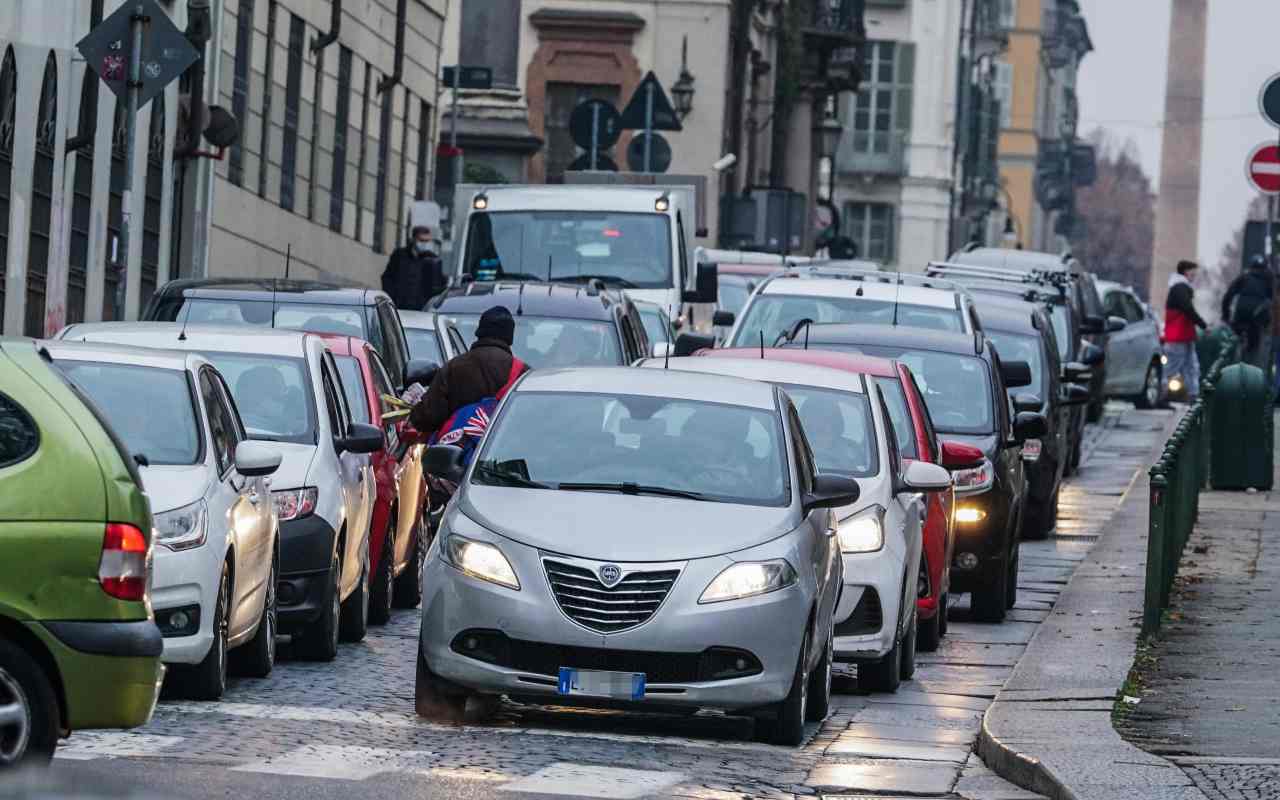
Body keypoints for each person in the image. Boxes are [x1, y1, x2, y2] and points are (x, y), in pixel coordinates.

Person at [409, 305, 529, 437]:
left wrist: (414, 411)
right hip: (502, 452)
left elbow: (428, 417)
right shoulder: (523, 374)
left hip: (456, 453)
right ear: (510, 337)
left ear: (479, 331)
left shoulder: (453, 368)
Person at [1163, 260, 1208, 401]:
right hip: (1179, 334)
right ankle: (1161, 395)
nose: (1195, 275)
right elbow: (1187, 308)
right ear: (1186, 271)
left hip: (1183, 334)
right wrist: (1203, 325)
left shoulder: (1180, 287)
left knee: (1189, 365)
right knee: (1174, 366)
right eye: (1193, 271)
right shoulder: (1180, 287)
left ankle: (1193, 395)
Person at [1221, 255, 1275, 368]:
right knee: (1254, 348)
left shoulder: (1244, 277)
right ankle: (1251, 370)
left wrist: (1226, 316)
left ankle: (1229, 365)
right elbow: (1271, 300)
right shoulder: (1269, 279)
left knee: (1233, 341)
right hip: (1256, 317)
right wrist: (1266, 323)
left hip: (1240, 315)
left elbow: (1228, 296)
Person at [381, 225, 444, 310]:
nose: (424, 244)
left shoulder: (433, 259)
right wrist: (391, 298)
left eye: (427, 241)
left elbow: (438, 286)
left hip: (421, 309)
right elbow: (387, 277)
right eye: (421, 240)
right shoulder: (400, 255)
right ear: (414, 239)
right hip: (398, 306)